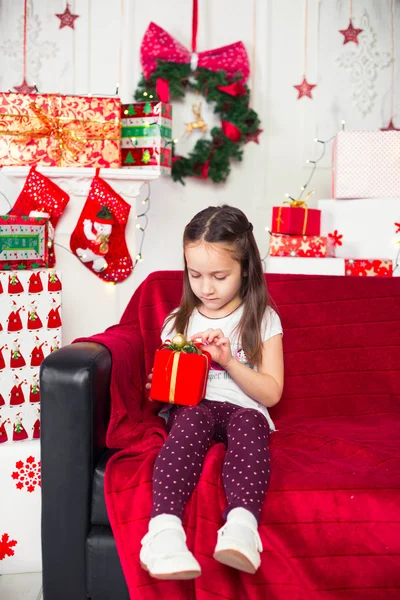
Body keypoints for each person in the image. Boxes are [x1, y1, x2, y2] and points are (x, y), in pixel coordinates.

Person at [140, 205, 284, 580]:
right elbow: (169, 397)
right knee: (187, 422)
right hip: (195, 407)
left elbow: (270, 394)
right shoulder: (179, 322)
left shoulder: (263, 317)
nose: (206, 287)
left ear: (246, 268)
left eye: (220, 276)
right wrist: (162, 387)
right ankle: (164, 532)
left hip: (245, 410)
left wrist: (230, 361)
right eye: (195, 275)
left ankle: (241, 528)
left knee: (252, 426)